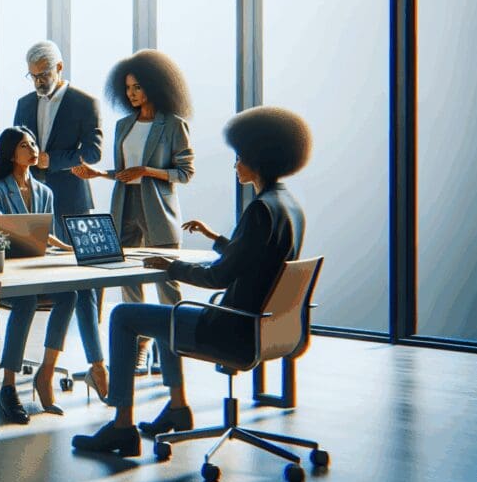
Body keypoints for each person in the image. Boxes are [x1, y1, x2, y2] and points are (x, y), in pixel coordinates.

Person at [72, 106, 311, 456]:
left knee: (125, 315)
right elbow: (259, 259)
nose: (235, 164)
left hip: (232, 330)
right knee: (167, 317)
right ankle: (178, 407)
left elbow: (218, 276)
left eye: (240, 157)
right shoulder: (287, 204)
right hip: (266, 327)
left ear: (259, 159)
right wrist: (217, 238)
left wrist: (172, 266)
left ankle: (122, 426)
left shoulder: (259, 209)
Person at [73, 49, 196, 384]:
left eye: (137, 86)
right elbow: (125, 174)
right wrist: (98, 174)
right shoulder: (124, 125)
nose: (131, 93)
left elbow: (184, 173)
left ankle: (172, 346)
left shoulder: (173, 125)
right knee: (128, 278)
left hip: (158, 211)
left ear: (155, 86)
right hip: (125, 207)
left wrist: (147, 170)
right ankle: (141, 343)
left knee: (167, 281)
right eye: (127, 88)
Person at [0, 127, 103, 422]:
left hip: (38, 269)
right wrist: (35, 239)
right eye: (26, 145)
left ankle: (47, 372)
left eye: (34, 144)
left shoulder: (45, 192)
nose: (34, 149)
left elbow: (46, 236)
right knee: (25, 301)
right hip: (10, 274)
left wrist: (67, 248)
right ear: (12, 154)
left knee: (72, 294)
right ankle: (8, 388)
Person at [13, 40, 104, 386]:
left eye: (44, 74)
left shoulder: (85, 102)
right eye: (33, 75)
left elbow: (93, 153)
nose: (38, 81)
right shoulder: (23, 104)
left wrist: (55, 161)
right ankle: (28, 370)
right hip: (32, 204)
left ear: (60, 69)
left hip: (72, 205)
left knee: (83, 288)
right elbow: (13, 148)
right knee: (29, 286)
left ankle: (97, 365)